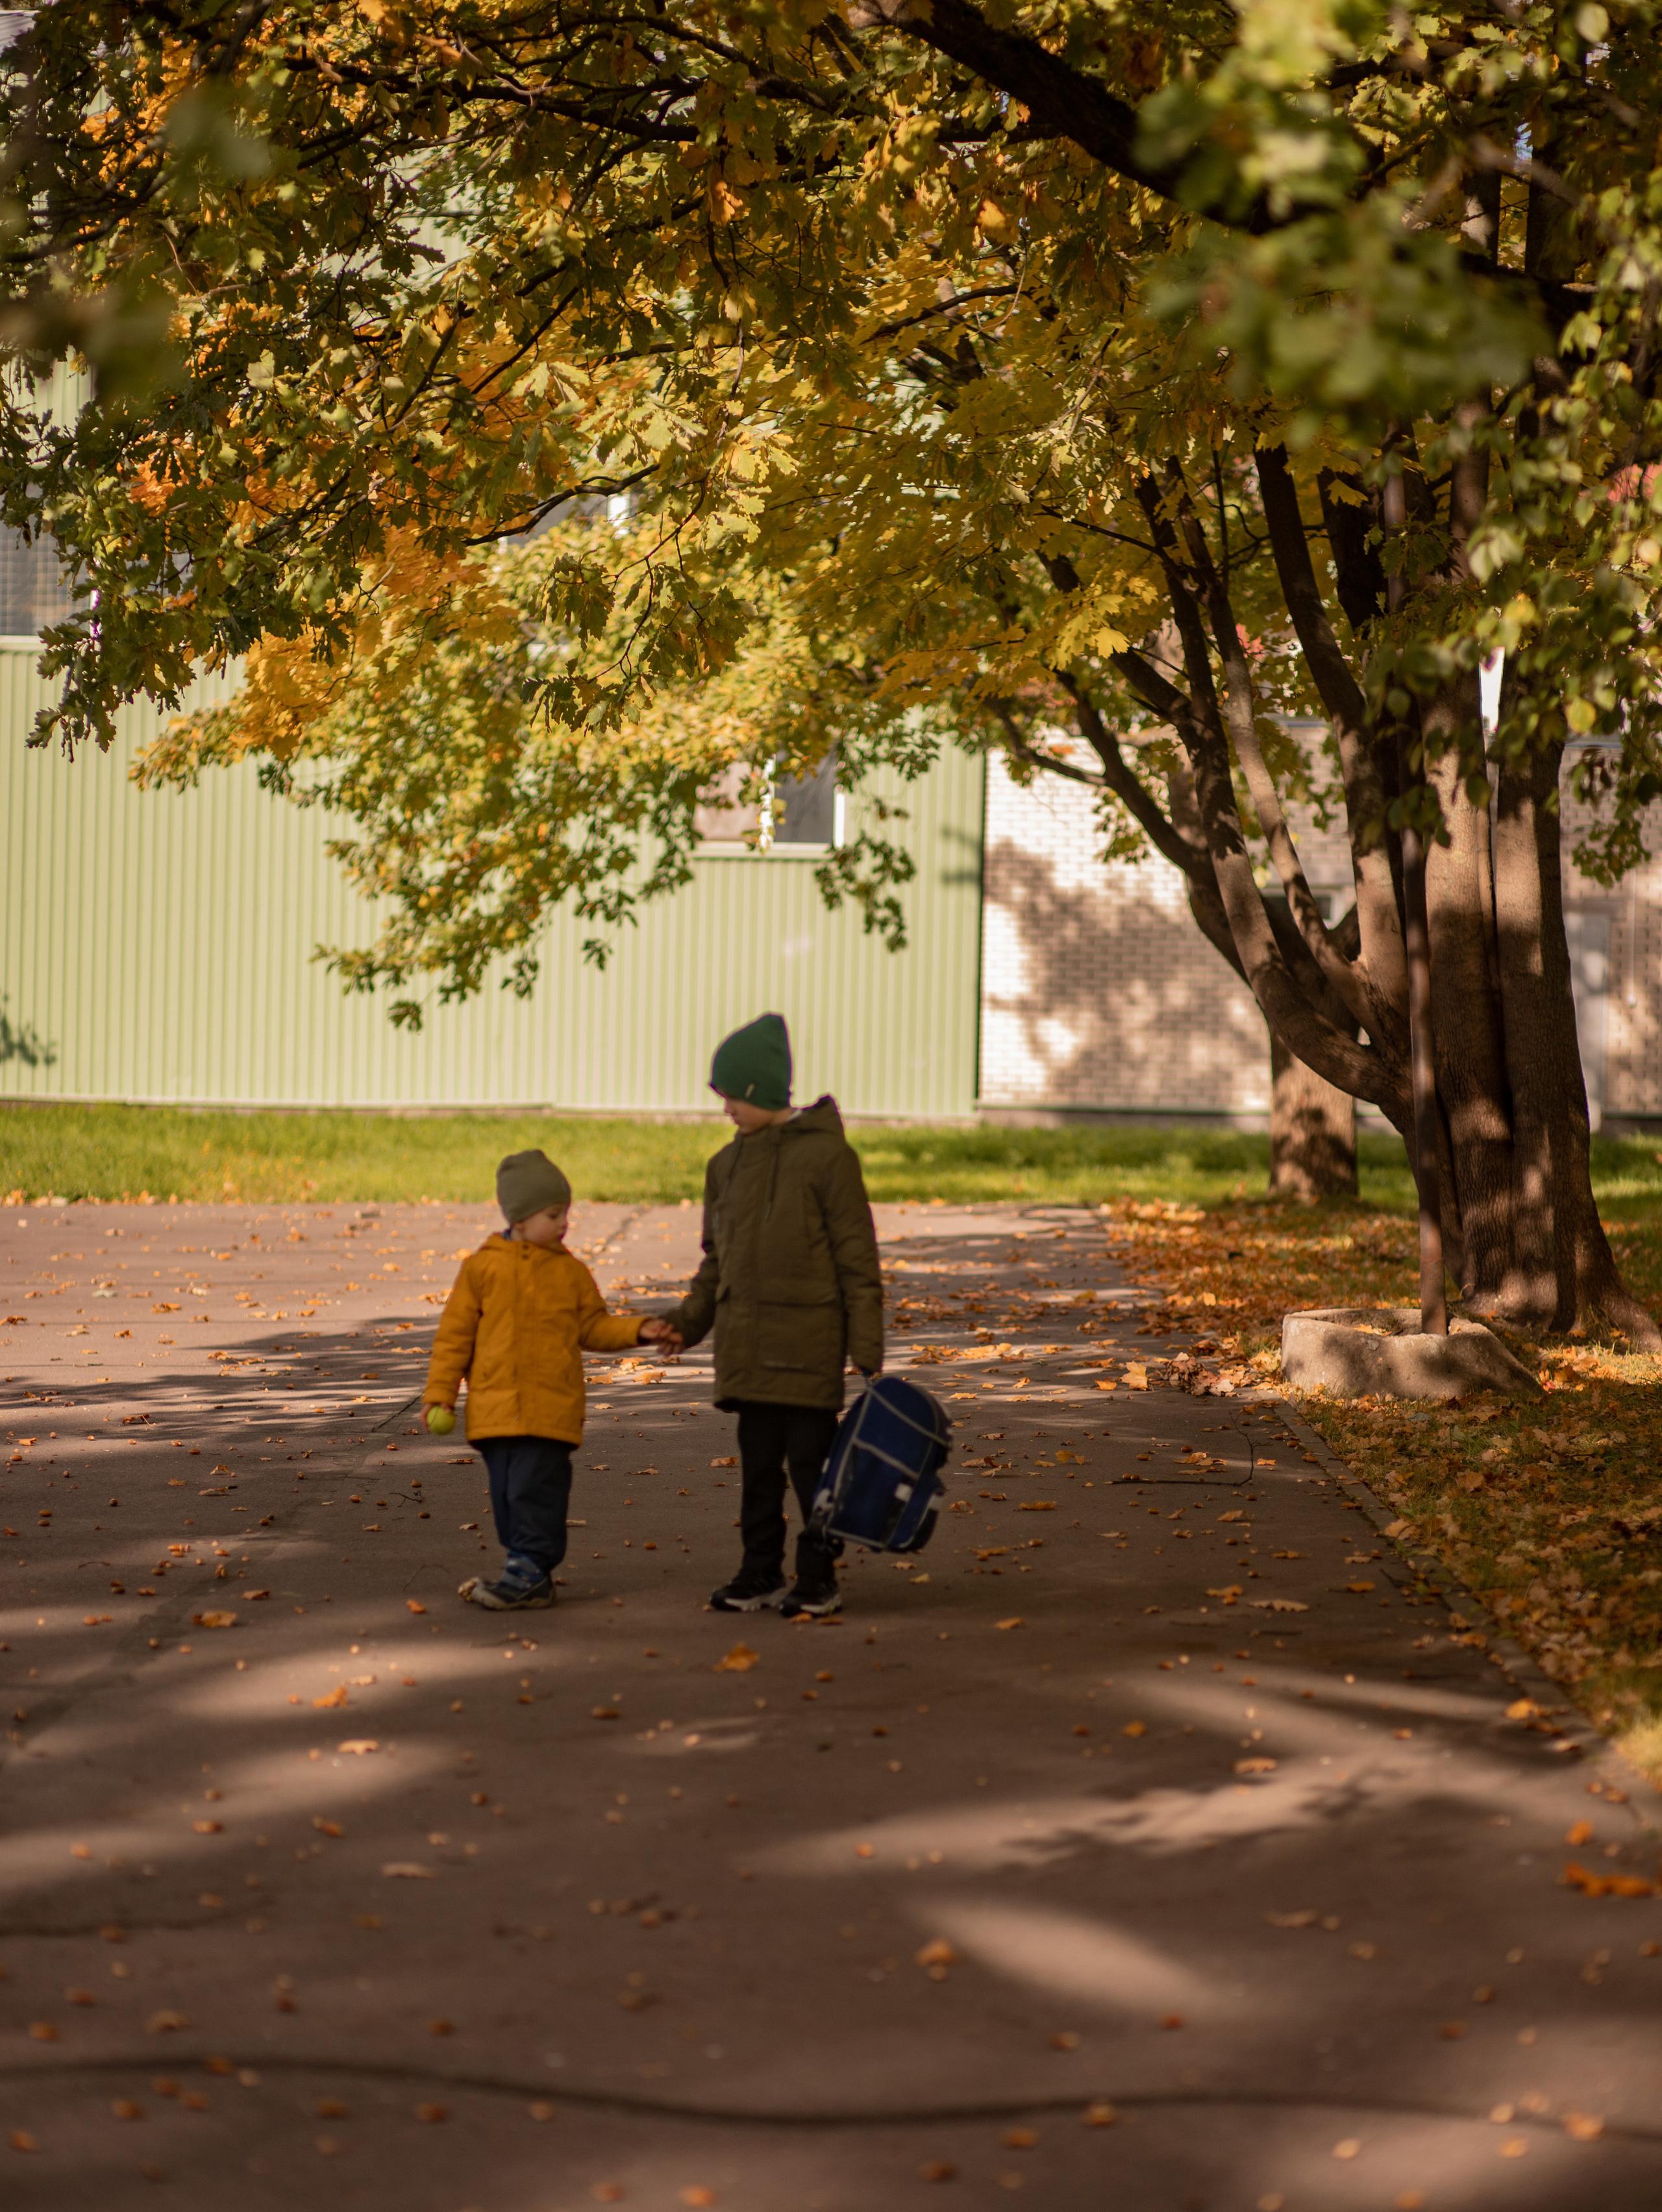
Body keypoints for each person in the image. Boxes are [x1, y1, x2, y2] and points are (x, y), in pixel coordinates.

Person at [665, 1013, 883, 1619]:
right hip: (748, 1350)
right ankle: (758, 1571)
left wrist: (867, 1349)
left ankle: (817, 1577)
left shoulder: (828, 1159)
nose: (726, 1108)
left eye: (732, 1095)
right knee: (758, 1472)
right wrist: (686, 1323)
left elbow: (857, 1260)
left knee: (814, 1472)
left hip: (809, 1346)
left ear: (759, 1088)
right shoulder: (724, 1167)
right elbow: (717, 1262)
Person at [423, 1148, 680, 1610]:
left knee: (535, 1490)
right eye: (553, 1214)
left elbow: (593, 1326)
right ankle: (524, 1568)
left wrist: (638, 1330)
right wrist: (441, 1393)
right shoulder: (482, 1268)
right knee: (508, 1496)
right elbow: (454, 1338)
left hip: (550, 1408)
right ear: (519, 1217)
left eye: (566, 1213)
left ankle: (530, 1573)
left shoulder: (570, 1272)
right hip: (495, 1410)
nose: (564, 1223)